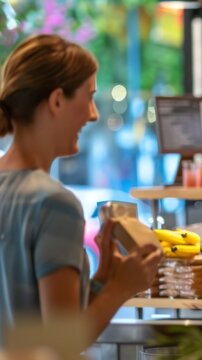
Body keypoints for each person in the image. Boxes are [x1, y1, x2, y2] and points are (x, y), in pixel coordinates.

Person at [0, 34, 162, 348]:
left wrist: (103, 279)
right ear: (57, 100)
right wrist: (122, 287)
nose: (93, 114)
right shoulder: (54, 203)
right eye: (88, 98)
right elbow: (60, 342)